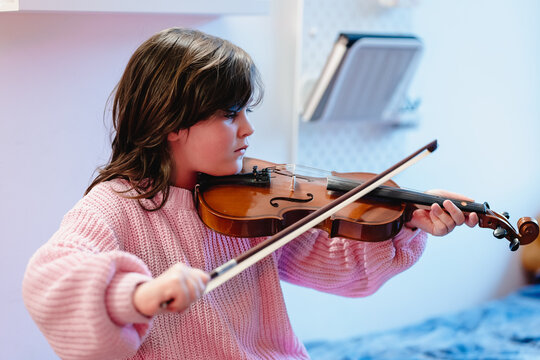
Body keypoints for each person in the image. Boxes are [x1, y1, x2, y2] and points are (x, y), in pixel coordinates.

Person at [22, 27, 479, 360]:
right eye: (230, 114)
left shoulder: (251, 201)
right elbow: (49, 281)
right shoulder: (116, 206)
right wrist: (139, 295)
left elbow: (347, 273)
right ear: (172, 123)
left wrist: (404, 222)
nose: (248, 129)